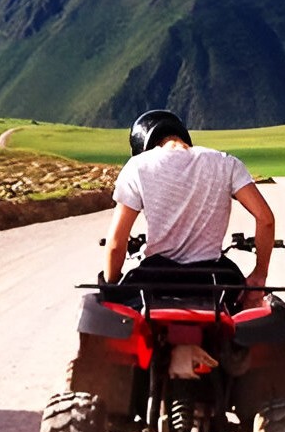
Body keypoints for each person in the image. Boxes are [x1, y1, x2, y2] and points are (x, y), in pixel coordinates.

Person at [104, 109, 275, 308]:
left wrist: (111, 283)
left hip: (155, 279)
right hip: (216, 279)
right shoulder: (226, 163)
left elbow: (116, 244)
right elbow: (266, 219)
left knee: (116, 315)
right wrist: (259, 274)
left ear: (143, 146)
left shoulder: (137, 167)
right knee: (250, 311)